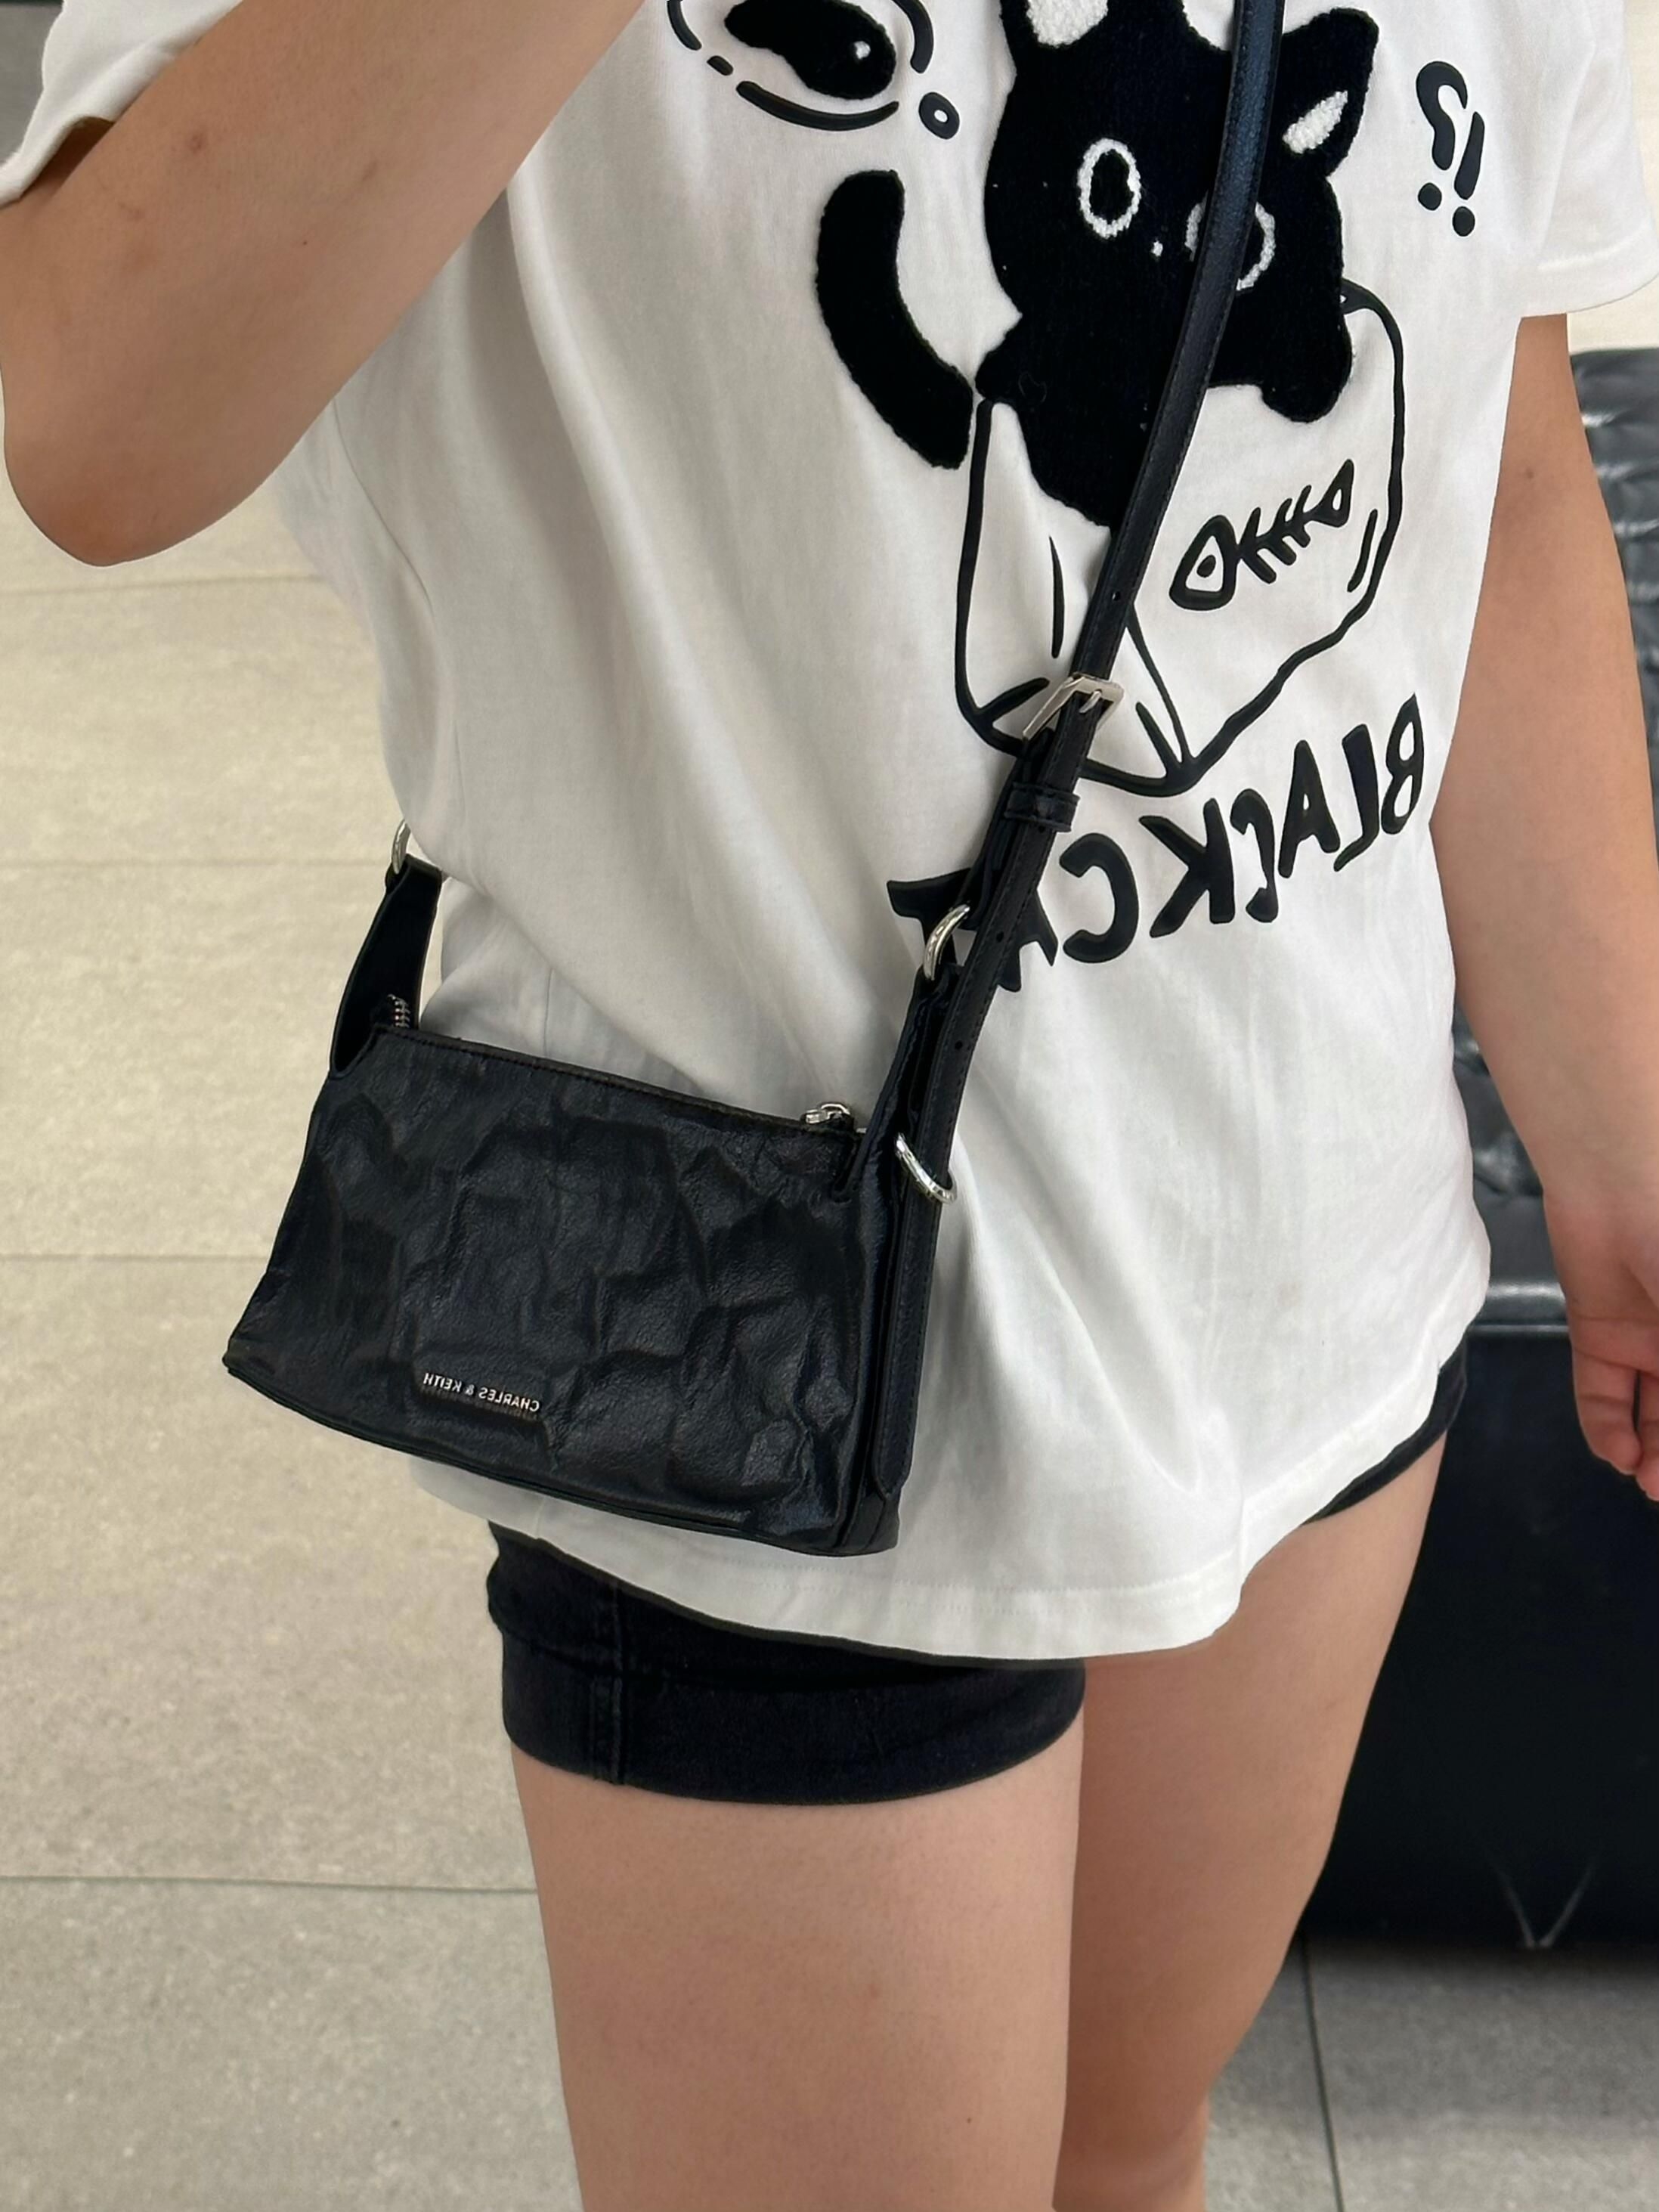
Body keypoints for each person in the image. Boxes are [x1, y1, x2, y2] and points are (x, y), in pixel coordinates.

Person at [3, 3, 1657, 2207]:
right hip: (738, 1337)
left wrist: (1624, 1141)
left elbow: (1495, 454)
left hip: (1304, 1241)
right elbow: (96, 420)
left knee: (1124, 2149)